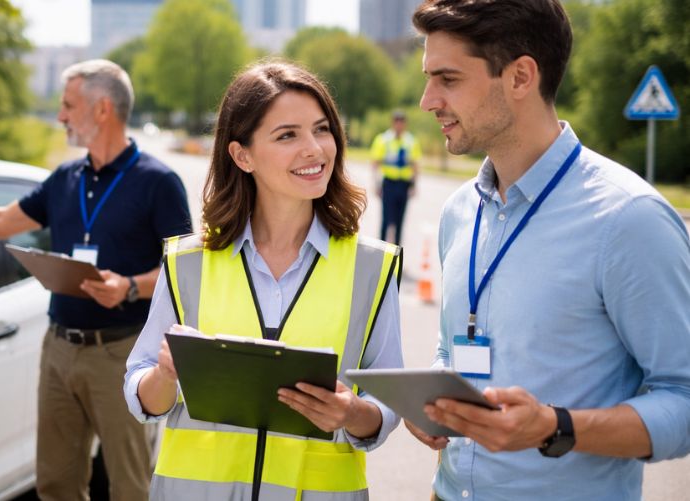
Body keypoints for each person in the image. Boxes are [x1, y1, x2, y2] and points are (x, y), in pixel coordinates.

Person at [406, 1, 690, 500]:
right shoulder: (458, 212)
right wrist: (437, 403)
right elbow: (452, 349)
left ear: (520, 77)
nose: (428, 100)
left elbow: (684, 400)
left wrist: (553, 426)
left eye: (448, 79)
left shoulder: (630, 220)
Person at [0, 59, 192, 500]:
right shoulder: (64, 178)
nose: (60, 115)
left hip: (121, 351)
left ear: (102, 110)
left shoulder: (158, 182)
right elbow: (0, 220)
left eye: (67, 105)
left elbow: (186, 273)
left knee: (130, 487)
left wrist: (129, 286)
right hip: (59, 349)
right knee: (57, 483)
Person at [124, 61, 405, 500]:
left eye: (322, 129)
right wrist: (164, 376)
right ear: (242, 155)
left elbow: (387, 403)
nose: (314, 149)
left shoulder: (372, 266)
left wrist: (351, 412)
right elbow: (142, 395)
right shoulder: (188, 262)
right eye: (287, 135)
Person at [370, 110, 422, 244]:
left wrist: (414, 186)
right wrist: (376, 184)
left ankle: (396, 254)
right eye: (396, 122)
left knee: (400, 221)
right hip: (388, 184)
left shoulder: (411, 142)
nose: (399, 126)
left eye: (402, 123)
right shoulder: (383, 140)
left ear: (405, 124)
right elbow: (375, 164)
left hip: (403, 185)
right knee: (386, 220)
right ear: (393, 123)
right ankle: (380, 250)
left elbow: (415, 165)